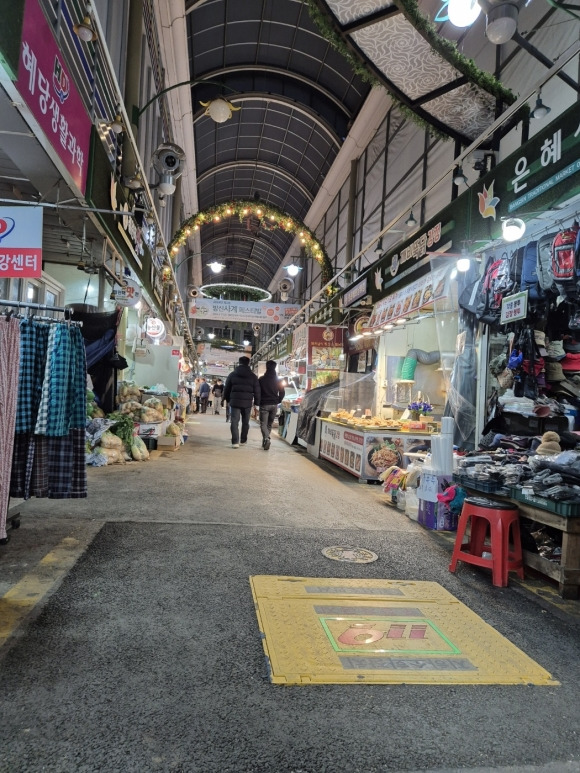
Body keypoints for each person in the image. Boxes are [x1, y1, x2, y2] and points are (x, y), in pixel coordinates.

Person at [223, 356, 260, 448]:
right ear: (249, 363)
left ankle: (235, 442)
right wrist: (257, 403)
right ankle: (243, 440)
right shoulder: (253, 376)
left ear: (239, 363)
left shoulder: (232, 374)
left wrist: (227, 399)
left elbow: (227, 388)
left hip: (235, 401)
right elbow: (257, 390)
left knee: (234, 421)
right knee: (245, 422)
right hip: (247, 403)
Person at [257, 361, 285, 450]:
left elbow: (258, 392)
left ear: (266, 367)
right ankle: (265, 441)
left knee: (263, 424)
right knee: (269, 424)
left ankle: (266, 438)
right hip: (274, 405)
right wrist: (278, 400)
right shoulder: (278, 380)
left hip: (264, 404)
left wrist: (257, 402)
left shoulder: (261, 379)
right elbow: (282, 392)